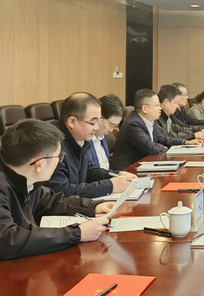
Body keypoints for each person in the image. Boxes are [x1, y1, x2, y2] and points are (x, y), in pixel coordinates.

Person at [0, 119, 114, 260]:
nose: (60, 160)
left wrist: (93, 207)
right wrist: (77, 233)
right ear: (39, 165)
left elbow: (52, 201)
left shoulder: (26, 179)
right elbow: (7, 240)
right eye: (59, 156)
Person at [45, 93, 131, 198]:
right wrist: (109, 186)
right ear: (72, 122)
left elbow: (89, 171)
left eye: (98, 122)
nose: (96, 128)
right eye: (93, 123)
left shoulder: (79, 138)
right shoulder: (51, 144)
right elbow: (62, 191)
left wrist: (117, 175)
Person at [110, 89, 202, 170]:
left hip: (144, 165)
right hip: (129, 170)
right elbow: (151, 148)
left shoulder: (149, 120)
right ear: (145, 108)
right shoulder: (133, 124)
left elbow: (163, 138)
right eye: (157, 105)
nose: (160, 108)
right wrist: (164, 147)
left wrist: (185, 142)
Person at [87, 95, 135, 179]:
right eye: (111, 125)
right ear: (99, 118)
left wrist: (118, 174)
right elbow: (90, 174)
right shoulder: (84, 141)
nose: (111, 130)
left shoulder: (102, 138)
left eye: (115, 126)